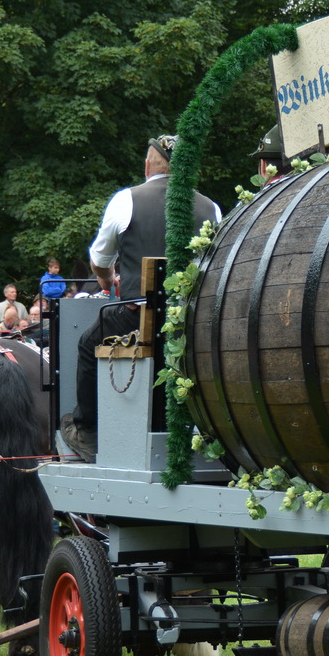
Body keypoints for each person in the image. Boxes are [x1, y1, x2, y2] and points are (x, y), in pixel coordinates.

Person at [62, 134, 221, 462]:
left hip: (136, 318)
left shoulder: (126, 199)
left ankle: (88, 430)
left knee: (87, 344)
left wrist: (107, 281)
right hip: (191, 324)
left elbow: (100, 259)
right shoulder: (212, 208)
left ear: (148, 165)